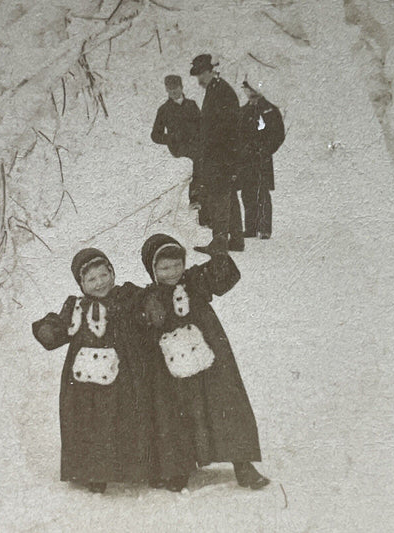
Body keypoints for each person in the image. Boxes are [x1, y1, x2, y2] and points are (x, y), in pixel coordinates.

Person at [140, 233, 270, 491]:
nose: (173, 272)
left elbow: (224, 277)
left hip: (211, 356)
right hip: (172, 367)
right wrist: (148, 312)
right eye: (164, 268)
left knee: (226, 403)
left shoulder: (195, 280)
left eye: (177, 264)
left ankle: (242, 464)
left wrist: (220, 255)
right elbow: (139, 320)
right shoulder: (150, 296)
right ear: (152, 270)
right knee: (176, 413)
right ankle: (179, 468)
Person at [31, 248, 150, 494]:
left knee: (125, 415)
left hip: (124, 373)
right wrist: (48, 330)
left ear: (112, 273)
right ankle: (94, 471)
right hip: (85, 381)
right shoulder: (76, 307)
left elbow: (145, 307)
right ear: (82, 284)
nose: (99, 283)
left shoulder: (126, 297)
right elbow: (61, 327)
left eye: (103, 275)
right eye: (91, 279)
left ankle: (133, 466)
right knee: (91, 422)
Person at [189, 54, 244, 252]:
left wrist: (214, 151)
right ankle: (236, 240)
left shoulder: (221, 91)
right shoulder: (217, 89)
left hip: (221, 154)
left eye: (200, 75)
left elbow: (226, 127)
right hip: (222, 153)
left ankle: (219, 243)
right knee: (228, 196)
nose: (199, 81)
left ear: (209, 72)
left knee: (218, 196)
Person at [151, 75, 209, 225]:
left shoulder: (191, 105)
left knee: (206, 162)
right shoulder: (164, 110)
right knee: (198, 160)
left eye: (175, 89)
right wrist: (170, 138)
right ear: (166, 90)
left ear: (182, 88)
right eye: (170, 91)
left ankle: (205, 216)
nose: (173, 93)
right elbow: (155, 135)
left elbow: (203, 126)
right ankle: (194, 198)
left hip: (196, 145)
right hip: (179, 149)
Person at [237, 81, 285, 239]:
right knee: (247, 192)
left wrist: (265, 150)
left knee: (262, 192)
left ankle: (264, 228)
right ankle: (250, 228)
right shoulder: (243, 111)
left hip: (261, 158)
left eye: (250, 89)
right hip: (245, 159)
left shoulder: (270, 110)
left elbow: (278, 134)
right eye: (245, 90)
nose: (248, 93)